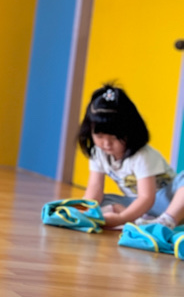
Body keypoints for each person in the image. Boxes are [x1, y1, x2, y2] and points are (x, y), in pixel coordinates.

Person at [78, 83, 184, 230]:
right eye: (99, 136)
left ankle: (166, 221)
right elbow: (94, 189)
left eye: (114, 137)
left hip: (167, 200)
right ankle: (142, 222)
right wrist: (86, 210)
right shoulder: (98, 152)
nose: (106, 143)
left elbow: (147, 197)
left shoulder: (142, 155)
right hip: (137, 203)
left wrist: (121, 218)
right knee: (102, 202)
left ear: (130, 130)